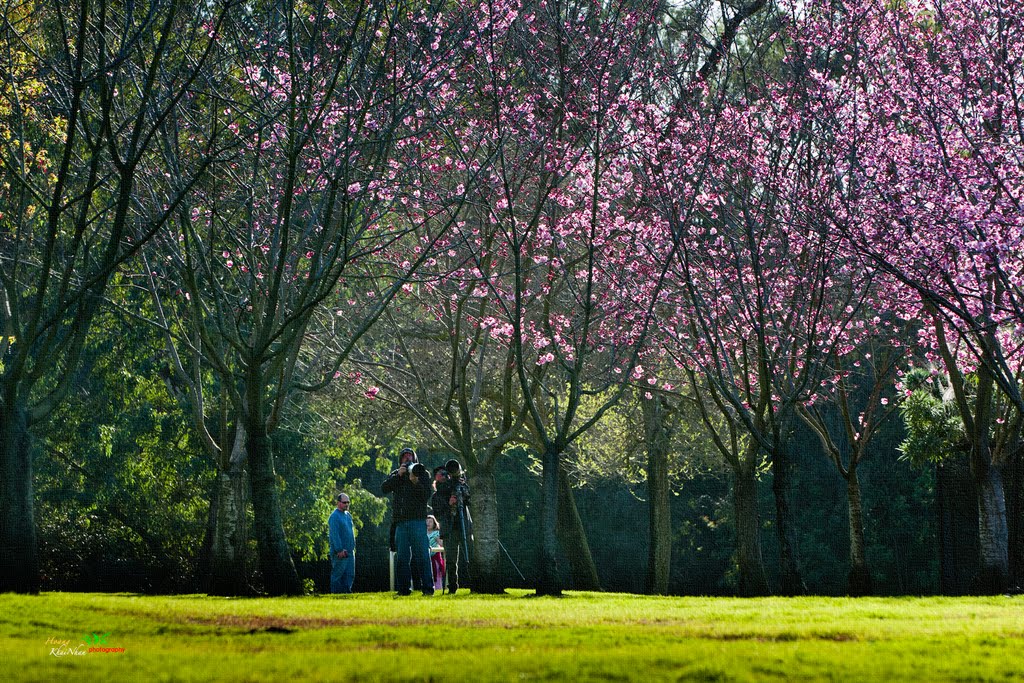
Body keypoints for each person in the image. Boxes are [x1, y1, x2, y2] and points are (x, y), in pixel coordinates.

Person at [382, 450, 434, 596]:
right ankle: (404, 590)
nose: (407, 458)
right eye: (404, 456)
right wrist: (399, 475)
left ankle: (428, 589)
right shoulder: (396, 474)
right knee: (402, 558)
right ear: (400, 460)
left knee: (423, 556)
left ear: (415, 458)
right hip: (401, 522)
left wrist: (415, 481)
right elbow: (384, 488)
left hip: (417, 521)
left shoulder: (422, 473)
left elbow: (426, 496)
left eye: (410, 456)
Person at [431, 458, 471, 594]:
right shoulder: (437, 495)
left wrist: (462, 486)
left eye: (445, 473)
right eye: (440, 474)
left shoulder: (459, 486)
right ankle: (452, 586)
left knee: (471, 554)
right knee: (451, 560)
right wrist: (448, 505)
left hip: (463, 525)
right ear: (435, 478)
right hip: (449, 529)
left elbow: (469, 499)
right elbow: (437, 514)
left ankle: (476, 582)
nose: (444, 475)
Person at [328, 493, 355, 594]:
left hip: (350, 552)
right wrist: (339, 549)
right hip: (340, 552)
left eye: (348, 502)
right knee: (338, 575)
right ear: (338, 503)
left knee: (349, 574)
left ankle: (347, 594)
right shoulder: (334, 517)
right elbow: (334, 535)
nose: (347, 504)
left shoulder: (348, 515)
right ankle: (336, 595)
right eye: (344, 502)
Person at [426, 514, 445, 591]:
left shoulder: (435, 533)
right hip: (426, 558)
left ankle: (438, 589)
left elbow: (441, 543)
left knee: (437, 576)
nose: (428, 523)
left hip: (435, 558)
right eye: (426, 521)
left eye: (430, 521)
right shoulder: (423, 533)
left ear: (434, 523)